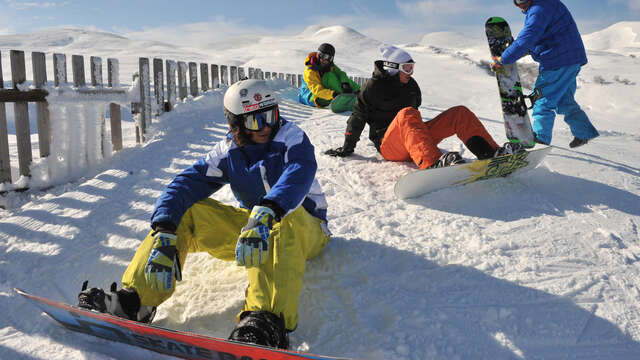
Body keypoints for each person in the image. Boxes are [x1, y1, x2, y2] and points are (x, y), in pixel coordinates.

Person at [77, 79, 330, 350]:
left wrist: (270, 210)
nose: (267, 126)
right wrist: (164, 228)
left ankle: (266, 319)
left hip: (305, 229)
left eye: (271, 115)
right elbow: (184, 184)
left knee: (283, 218)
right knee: (188, 210)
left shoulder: (291, 137)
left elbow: (300, 171)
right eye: (256, 120)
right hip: (255, 233)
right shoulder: (228, 151)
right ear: (237, 124)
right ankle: (133, 301)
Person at [326, 44, 521, 169]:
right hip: (389, 145)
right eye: (406, 68)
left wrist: (422, 137)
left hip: (413, 139)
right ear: (392, 68)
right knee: (407, 114)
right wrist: (347, 148)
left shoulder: (410, 86)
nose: (410, 73)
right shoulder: (372, 88)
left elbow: (415, 119)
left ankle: (491, 153)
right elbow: (357, 117)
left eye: (412, 68)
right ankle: (432, 163)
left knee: (459, 113)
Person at [492, 0, 599, 148]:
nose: (521, 4)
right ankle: (583, 132)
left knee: (542, 101)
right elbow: (542, 37)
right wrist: (521, 50)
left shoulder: (539, 8)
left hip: (558, 61)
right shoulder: (546, 5)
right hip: (570, 60)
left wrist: (503, 59)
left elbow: (528, 37)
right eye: (517, 1)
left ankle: (540, 140)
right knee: (563, 101)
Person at [298, 43, 361, 108]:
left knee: (343, 79)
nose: (326, 60)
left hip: (325, 93)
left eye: (329, 58)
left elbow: (340, 73)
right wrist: (333, 94)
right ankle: (345, 99)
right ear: (318, 55)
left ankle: (360, 92)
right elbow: (317, 90)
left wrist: (345, 83)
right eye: (324, 56)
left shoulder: (328, 65)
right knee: (329, 76)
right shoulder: (310, 71)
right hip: (311, 97)